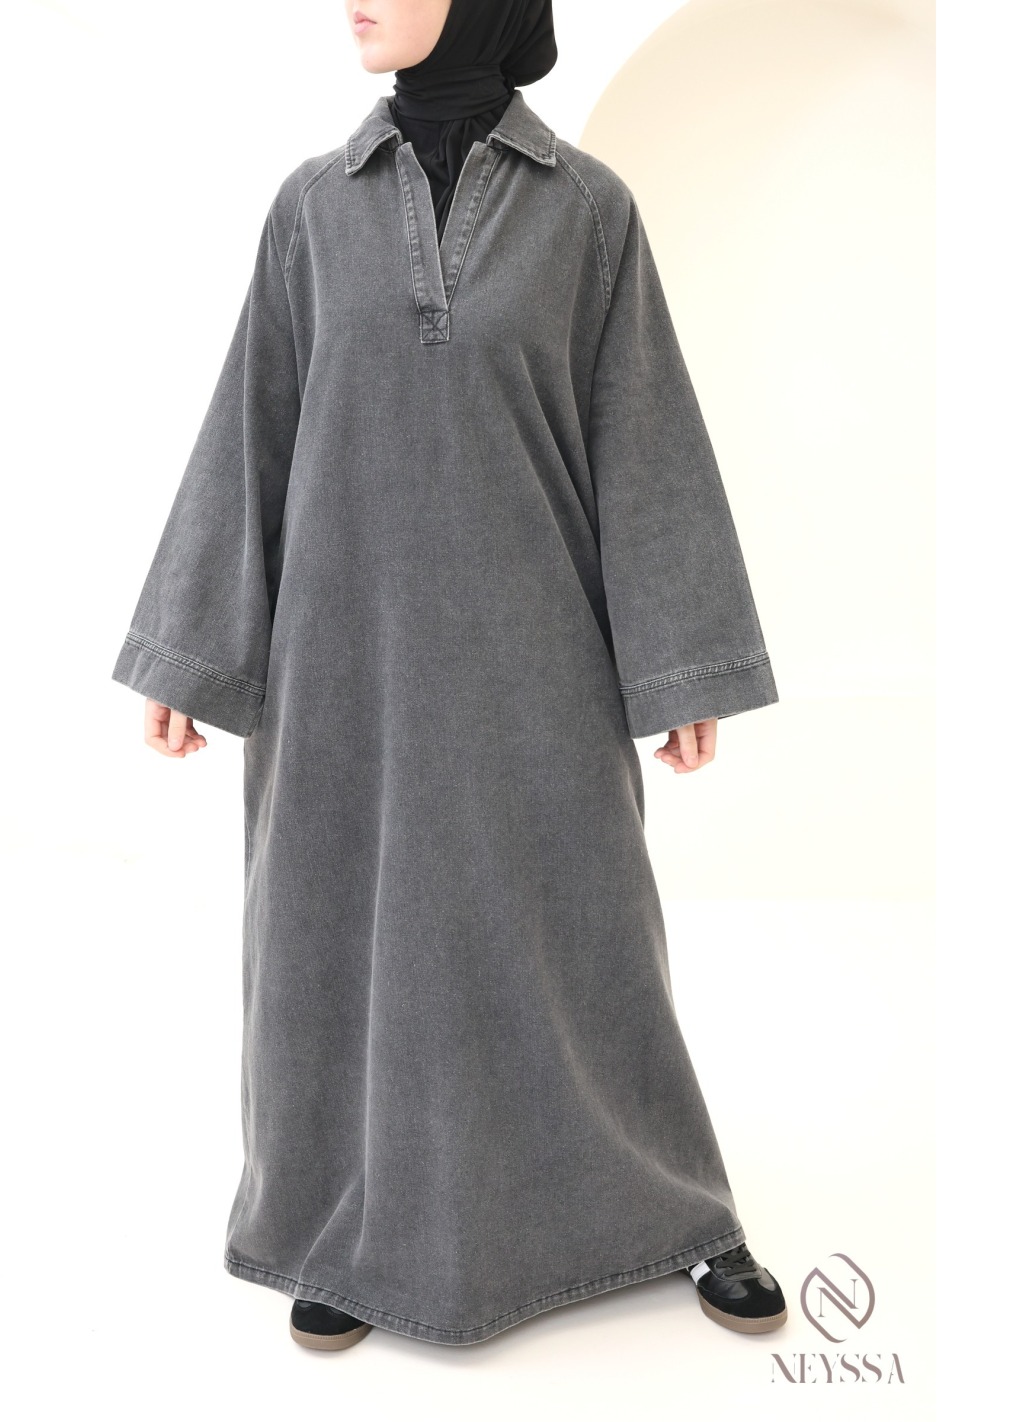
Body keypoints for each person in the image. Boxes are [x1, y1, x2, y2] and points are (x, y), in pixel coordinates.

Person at [112, 0, 787, 1352]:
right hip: (339, 667)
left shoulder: (587, 212)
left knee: (582, 933)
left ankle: (668, 1210)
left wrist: (681, 662)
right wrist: (192, 646)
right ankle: (342, 1224)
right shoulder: (313, 210)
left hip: (539, 660)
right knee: (339, 931)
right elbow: (252, 428)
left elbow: (643, 432)